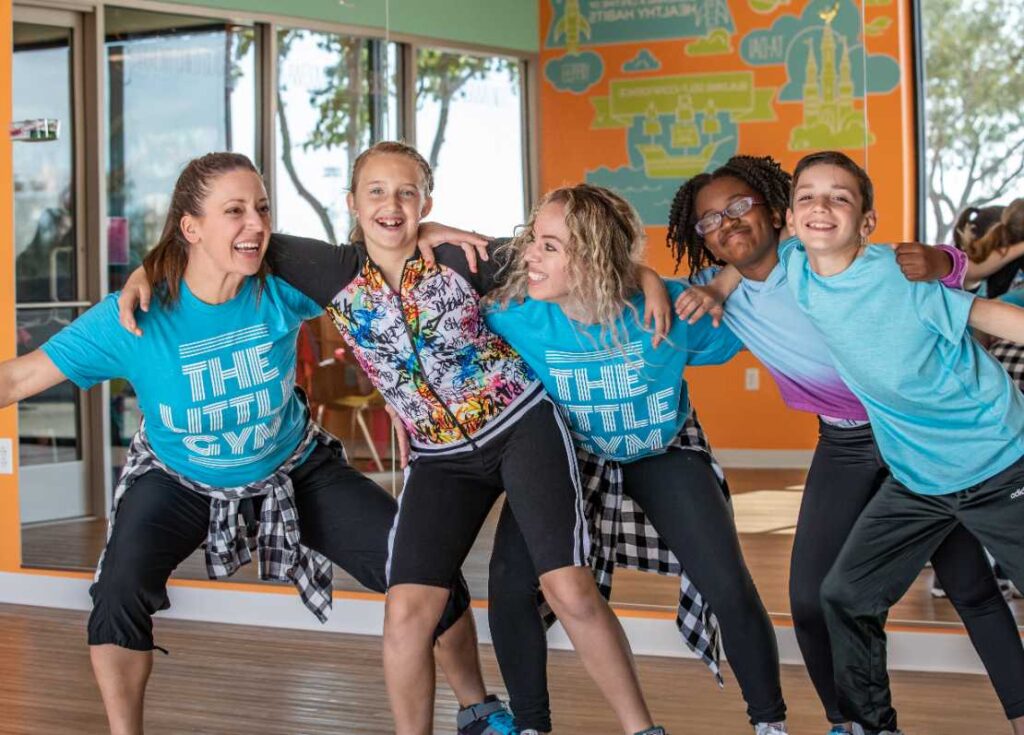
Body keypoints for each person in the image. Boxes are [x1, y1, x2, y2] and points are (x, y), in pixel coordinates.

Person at [121, 142, 671, 735]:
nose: (392, 204)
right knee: (407, 611)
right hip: (439, 460)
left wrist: (650, 281)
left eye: (407, 192)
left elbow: (579, 255)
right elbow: (208, 241)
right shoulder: (327, 269)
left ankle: (643, 729)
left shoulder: (465, 257)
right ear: (352, 203)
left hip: (520, 429)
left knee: (568, 588)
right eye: (376, 191)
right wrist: (142, 273)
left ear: (426, 201)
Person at [0, 152, 497, 735]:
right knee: (117, 594)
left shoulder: (281, 286)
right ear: (192, 228)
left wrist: (425, 231)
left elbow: (377, 250)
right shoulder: (135, 318)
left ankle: (480, 711)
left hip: (294, 466)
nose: (256, 224)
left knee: (420, 566)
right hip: (178, 476)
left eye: (261, 208)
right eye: (234, 211)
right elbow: (15, 379)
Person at [665, 154, 1024, 735]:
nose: (726, 223)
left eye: (738, 207)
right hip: (853, 442)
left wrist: (945, 258)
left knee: (971, 587)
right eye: (709, 220)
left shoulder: (833, 258)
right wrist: (721, 281)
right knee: (817, 598)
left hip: (927, 437)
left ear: (771, 211)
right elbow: (656, 286)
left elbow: (941, 283)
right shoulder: (720, 290)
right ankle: (851, 721)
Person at [477, 183, 790, 735]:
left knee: (726, 582)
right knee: (508, 580)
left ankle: (769, 723)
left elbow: (764, 273)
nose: (530, 255)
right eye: (534, 241)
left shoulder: (669, 310)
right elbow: (446, 272)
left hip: (661, 450)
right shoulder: (517, 316)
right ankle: (530, 723)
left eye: (550, 246)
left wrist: (714, 281)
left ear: (595, 255)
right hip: (571, 459)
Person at [779, 150, 1024, 735]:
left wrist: (942, 259)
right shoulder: (795, 264)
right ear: (790, 218)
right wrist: (720, 286)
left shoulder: (896, 275)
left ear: (866, 222)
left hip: (997, 461)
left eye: (840, 196)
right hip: (918, 479)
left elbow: (991, 315)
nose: (820, 206)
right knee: (845, 595)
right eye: (806, 196)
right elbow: (745, 262)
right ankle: (872, 726)